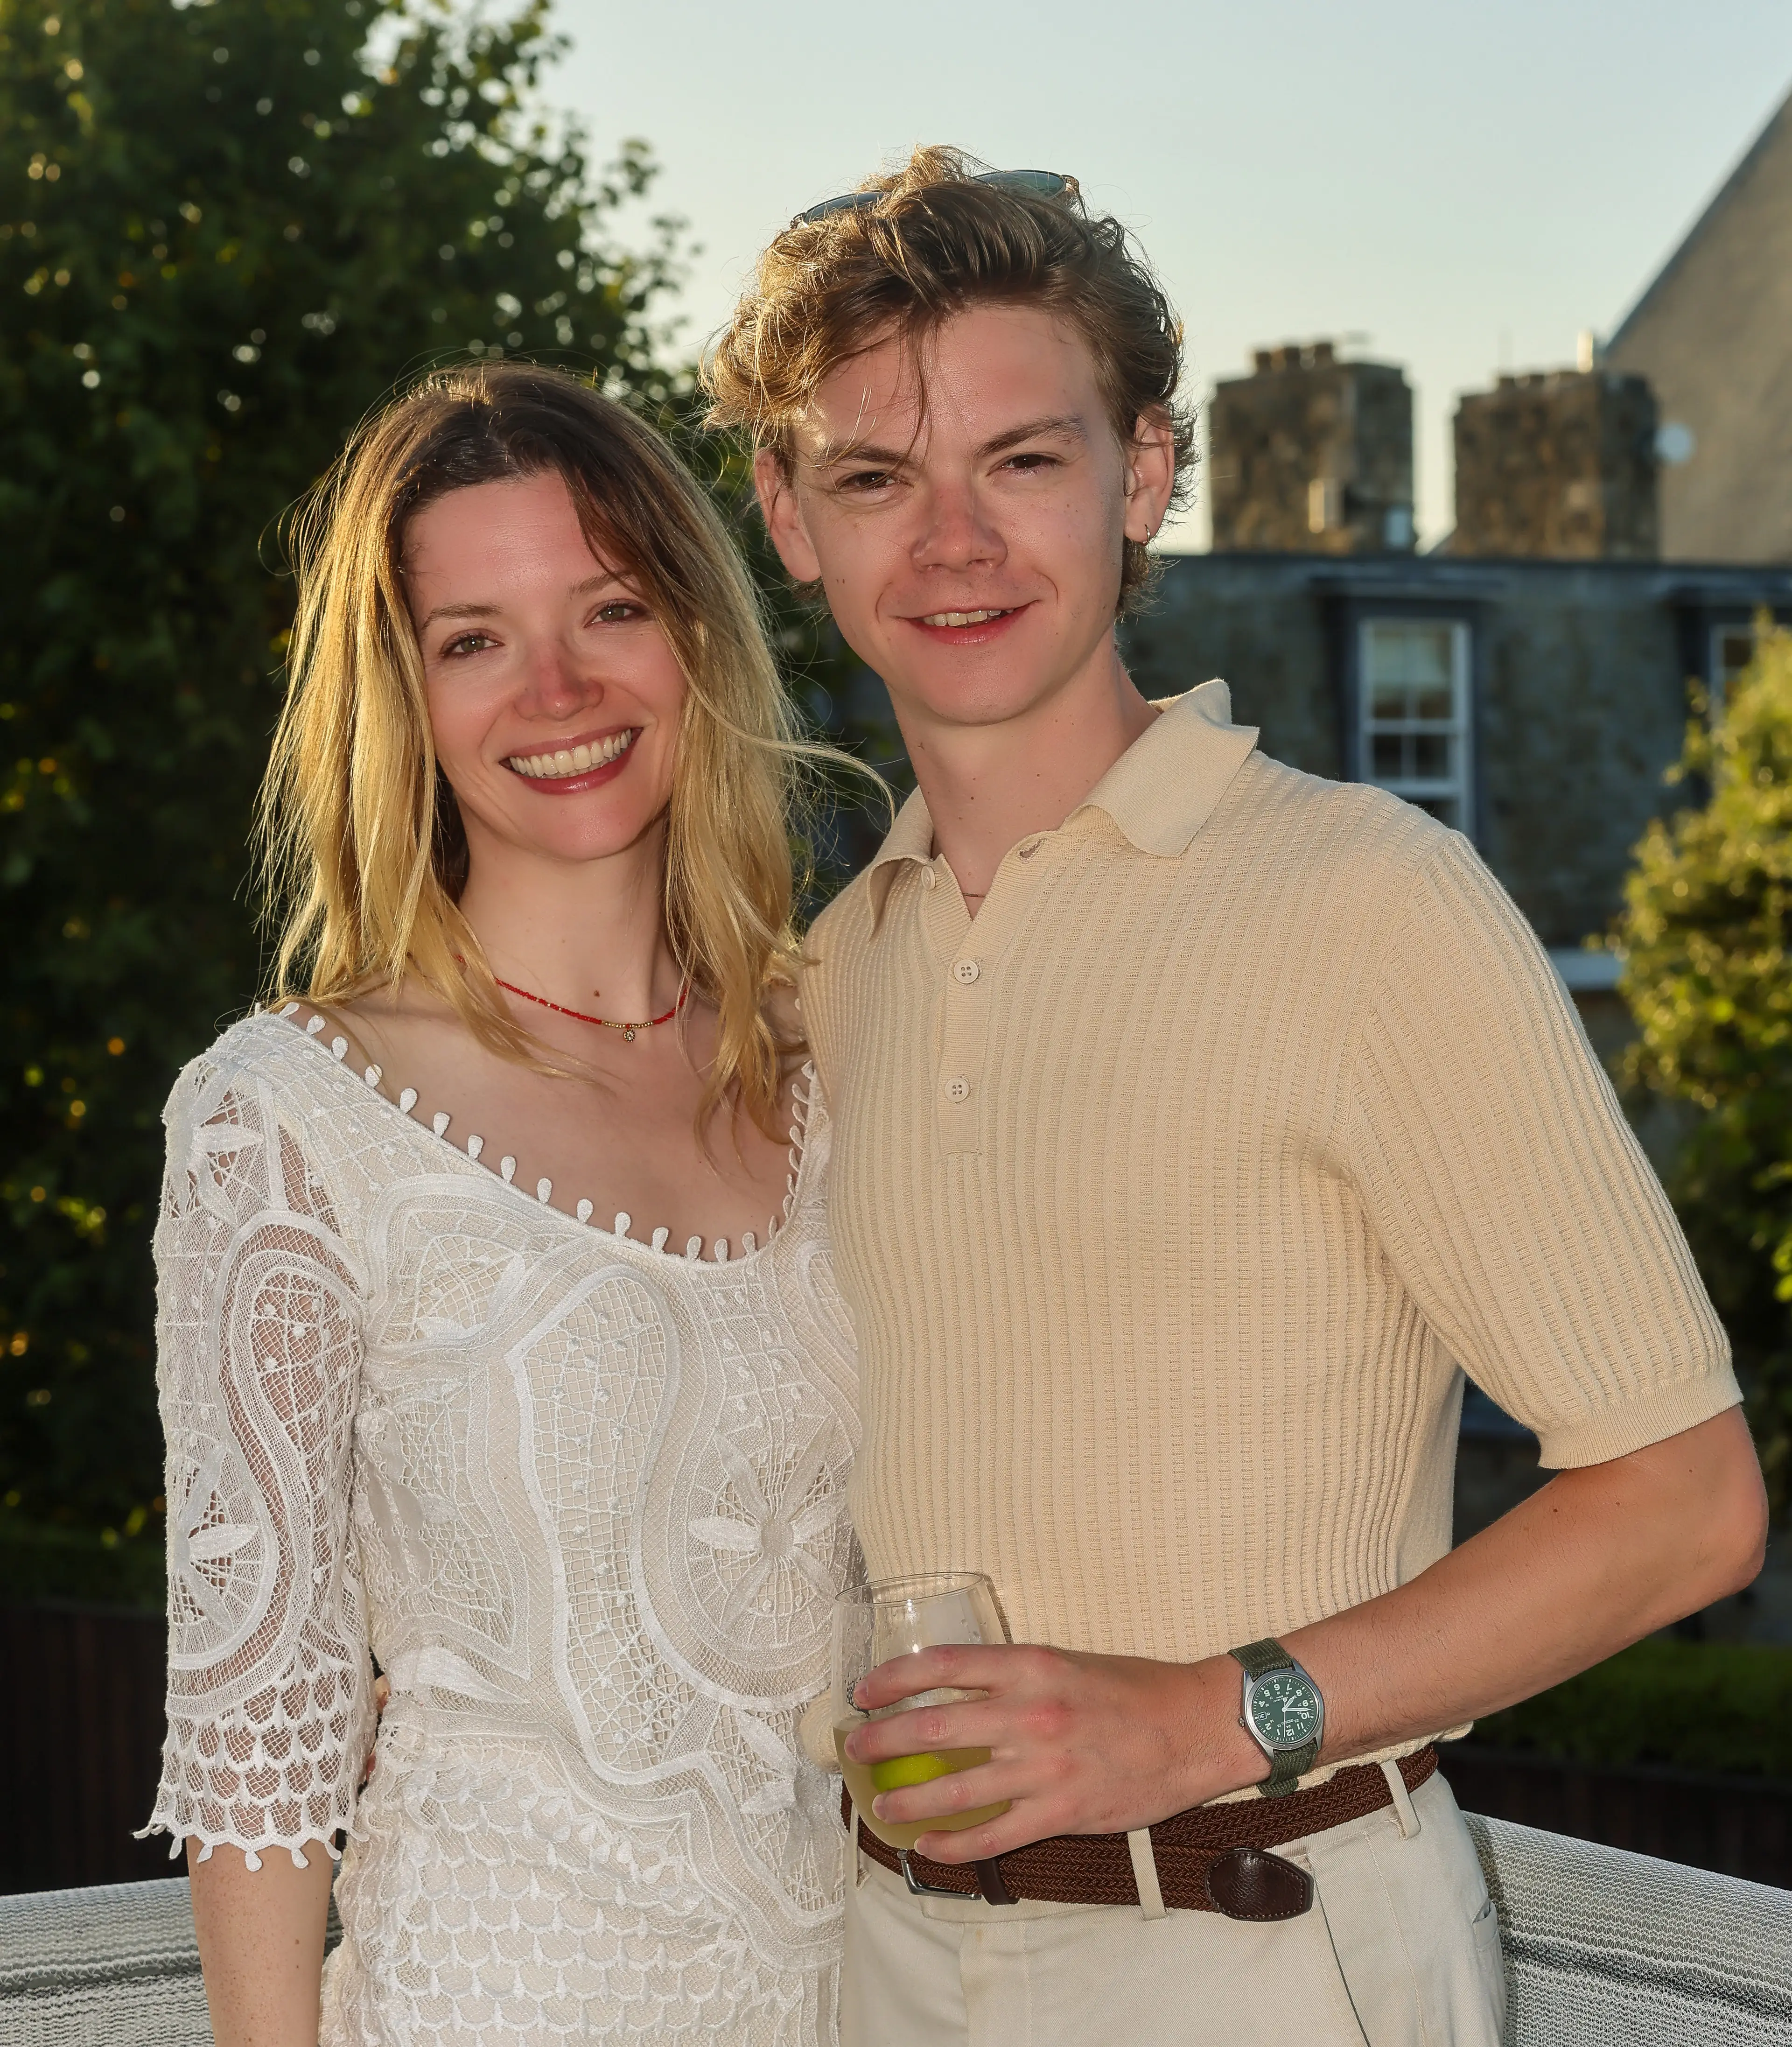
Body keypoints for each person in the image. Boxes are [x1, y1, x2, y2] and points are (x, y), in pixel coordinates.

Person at [704, 148, 1769, 2046]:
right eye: (877, 476)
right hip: (867, 1967)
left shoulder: (1368, 902)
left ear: (1146, 474)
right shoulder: (820, 978)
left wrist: (1199, 1715)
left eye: (1022, 461)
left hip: (1266, 1950)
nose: (951, 541)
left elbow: (1686, 1505)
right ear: (790, 514)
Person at [144, 362, 862, 2047]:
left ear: (694, 634)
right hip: (495, 1997)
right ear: (406, 695)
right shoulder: (291, 1116)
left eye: (610, 607)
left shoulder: (830, 1062)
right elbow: (265, 1705)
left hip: (857, 1998)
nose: (558, 687)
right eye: (475, 637)